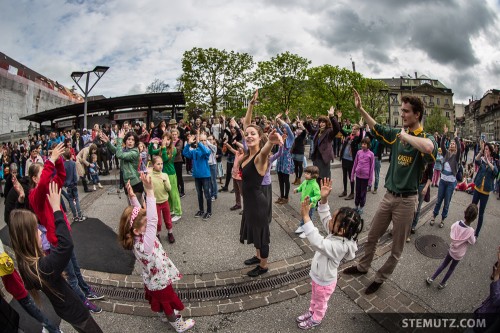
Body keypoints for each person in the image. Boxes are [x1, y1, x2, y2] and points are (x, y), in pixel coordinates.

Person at [343, 89, 437, 295]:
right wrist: (361, 109)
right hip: (389, 196)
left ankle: (380, 277)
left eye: (405, 111)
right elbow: (376, 127)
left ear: (417, 114)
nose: (402, 114)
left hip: (407, 200)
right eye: (402, 111)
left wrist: (407, 136)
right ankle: (363, 266)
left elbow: (429, 148)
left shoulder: (425, 137)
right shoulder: (396, 135)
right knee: (372, 235)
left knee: (396, 249)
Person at [10, 182, 103, 332]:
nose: (41, 233)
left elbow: (16, 224)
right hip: (76, 313)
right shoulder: (43, 267)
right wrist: (56, 210)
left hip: (65, 310)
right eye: (36, 230)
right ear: (27, 238)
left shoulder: (25, 264)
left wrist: (20, 200)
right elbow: (66, 245)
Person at [28, 143, 103, 313]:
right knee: (71, 278)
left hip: (65, 234)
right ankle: (83, 302)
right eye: (41, 174)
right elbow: (44, 183)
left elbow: (60, 176)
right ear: (34, 178)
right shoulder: (35, 195)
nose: (46, 176)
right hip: (57, 242)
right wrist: (50, 160)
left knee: (76, 269)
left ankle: (86, 290)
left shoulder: (49, 186)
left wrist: (58, 161)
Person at [118, 174, 195, 332]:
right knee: (168, 303)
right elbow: (152, 220)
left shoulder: (135, 237)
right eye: (146, 226)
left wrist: (133, 197)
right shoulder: (145, 244)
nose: (150, 227)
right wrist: (150, 191)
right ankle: (178, 325)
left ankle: (163, 314)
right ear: (137, 230)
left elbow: (140, 216)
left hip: (152, 280)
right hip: (159, 281)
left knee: (159, 301)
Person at [295, 178, 362, 330]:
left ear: (342, 230)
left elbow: (318, 242)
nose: (330, 220)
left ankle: (316, 318)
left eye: (334, 220)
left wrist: (306, 217)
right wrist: (324, 198)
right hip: (318, 276)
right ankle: (311, 312)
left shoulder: (340, 246)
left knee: (320, 302)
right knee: (315, 298)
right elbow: (325, 216)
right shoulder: (337, 233)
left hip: (325, 282)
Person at [240, 126, 283, 277]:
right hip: (250, 203)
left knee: (262, 235)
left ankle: (263, 266)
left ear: (260, 137)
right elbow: (246, 122)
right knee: (255, 232)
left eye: (253, 134)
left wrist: (270, 142)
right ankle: (258, 257)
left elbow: (264, 152)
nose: (249, 136)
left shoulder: (259, 157)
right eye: (247, 134)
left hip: (258, 204)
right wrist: (250, 106)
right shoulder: (248, 155)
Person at [1, 239, 62, 333]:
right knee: (34, 310)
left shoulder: (4, 261)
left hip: (19, 292)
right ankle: (52, 329)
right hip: (18, 289)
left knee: (34, 311)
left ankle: (53, 329)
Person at [426, 204, 478, 289]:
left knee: (443, 264)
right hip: (459, 254)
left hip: (452, 249)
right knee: (451, 268)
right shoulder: (471, 231)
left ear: (465, 212)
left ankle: (432, 278)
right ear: (474, 218)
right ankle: (442, 283)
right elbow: (472, 242)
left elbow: (452, 228)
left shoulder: (457, 224)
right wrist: (474, 237)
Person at [430, 125, 461, 228]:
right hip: (443, 181)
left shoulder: (456, 156)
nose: (452, 144)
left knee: (446, 202)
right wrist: (444, 134)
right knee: (439, 200)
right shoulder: (446, 153)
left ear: (455, 146)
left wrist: (456, 137)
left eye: (453, 144)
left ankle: (443, 219)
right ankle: (434, 216)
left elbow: (460, 148)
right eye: (451, 143)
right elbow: (442, 145)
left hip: (451, 183)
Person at [149, 133, 182, 222]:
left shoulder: (173, 149)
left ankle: (178, 212)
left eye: (168, 139)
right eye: (164, 139)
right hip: (163, 174)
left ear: (171, 140)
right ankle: (171, 210)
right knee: (168, 193)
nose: (166, 141)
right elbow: (151, 152)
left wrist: (163, 147)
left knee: (174, 193)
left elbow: (165, 159)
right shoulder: (162, 148)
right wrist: (151, 143)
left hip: (171, 174)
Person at [102, 130, 143, 201]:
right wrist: (108, 143)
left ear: (135, 142)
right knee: (132, 207)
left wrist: (119, 140)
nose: (130, 141)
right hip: (127, 183)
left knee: (137, 209)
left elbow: (119, 154)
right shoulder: (126, 150)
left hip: (135, 183)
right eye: (128, 139)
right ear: (126, 140)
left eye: (133, 140)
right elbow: (116, 151)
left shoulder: (134, 152)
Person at [303, 107, 340, 180]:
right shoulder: (318, 131)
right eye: (320, 122)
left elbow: (337, 128)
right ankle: (317, 190)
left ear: (327, 123)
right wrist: (307, 122)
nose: (321, 124)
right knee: (316, 177)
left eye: (323, 122)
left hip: (324, 158)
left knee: (323, 178)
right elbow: (310, 130)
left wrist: (332, 116)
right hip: (316, 158)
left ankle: (324, 190)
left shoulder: (329, 131)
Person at [471, 141, 498, 237]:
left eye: (487, 149)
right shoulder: (482, 160)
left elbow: (495, 172)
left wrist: (488, 161)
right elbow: (476, 160)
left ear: (490, 151)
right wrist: (481, 151)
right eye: (485, 149)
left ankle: (476, 233)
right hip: (477, 188)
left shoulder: (494, 162)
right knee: (471, 209)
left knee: (481, 213)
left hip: (485, 192)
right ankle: (467, 228)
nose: (485, 151)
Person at [182, 131, 212, 220]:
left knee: (207, 194)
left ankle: (209, 211)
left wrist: (198, 142)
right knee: (199, 194)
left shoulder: (206, 150)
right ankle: (201, 210)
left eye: (204, 140)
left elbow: (206, 152)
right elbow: (185, 153)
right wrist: (188, 144)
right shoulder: (194, 151)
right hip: (197, 176)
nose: (203, 142)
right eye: (201, 140)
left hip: (205, 176)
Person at [150, 156, 175, 243]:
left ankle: (170, 233)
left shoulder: (164, 175)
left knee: (168, 219)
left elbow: (169, 189)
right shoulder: (150, 176)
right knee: (158, 222)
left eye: (161, 164)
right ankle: (157, 235)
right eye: (158, 164)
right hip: (155, 202)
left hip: (164, 201)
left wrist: (165, 181)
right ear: (153, 165)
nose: (160, 166)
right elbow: (147, 189)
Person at [407, 161, 434, 242]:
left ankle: (413, 226)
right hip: (414, 184)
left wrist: (426, 187)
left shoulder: (430, 160)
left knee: (418, 208)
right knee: (411, 207)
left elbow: (430, 176)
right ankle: (407, 230)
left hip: (422, 185)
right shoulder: (417, 155)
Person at [338, 116, 363, 200]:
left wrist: (361, 127)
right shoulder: (348, 136)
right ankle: (345, 191)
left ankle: (352, 193)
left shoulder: (356, 139)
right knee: (344, 176)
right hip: (344, 159)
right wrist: (339, 119)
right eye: (353, 128)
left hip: (351, 160)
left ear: (358, 130)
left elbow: (360, 137)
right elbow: (341, 130)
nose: (353, 130)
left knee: (351, 176)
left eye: (355, 129)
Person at [293, 166, 321, 239]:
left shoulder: (315, 185)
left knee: (308, 217)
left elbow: (318, 195)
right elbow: (301, 187)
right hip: (304, 204)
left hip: (310, 205)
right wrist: (297, 190)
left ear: (313, 175)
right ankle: (302, 226)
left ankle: (307, 231)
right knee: (303, 215)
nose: (305, 174)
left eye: (308, 173)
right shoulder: (305, 181)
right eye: (305, 173)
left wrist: (311, 199)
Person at [274, 112, 295, 204]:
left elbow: (286, 126)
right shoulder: (282, 135)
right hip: (280, 159)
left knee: (286, 180)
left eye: (286, 129)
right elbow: (276, 128)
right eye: (284, 129)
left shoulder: (291, 137)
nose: (284, 129)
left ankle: (286, 197)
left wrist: (279, 120)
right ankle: (281, 196)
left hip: (286, 160)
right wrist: (276, 120)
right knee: (280, 179)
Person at [351, 137, 374, 215]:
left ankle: (361, 207)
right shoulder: (358, 152)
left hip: (365, 177)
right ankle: (356, 206)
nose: (363, 145)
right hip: (358, 176)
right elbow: (355, 164)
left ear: (368, 145)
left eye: (365, 144)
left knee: (362, 193)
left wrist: (370, 181)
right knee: (357, 191)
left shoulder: (371, 154)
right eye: (362, 144)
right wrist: (352, 175)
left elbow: (372, 168)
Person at [63, 149, 88, 222]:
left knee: (70, 200)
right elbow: (74, 174)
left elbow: (64, 176)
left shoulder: (63, 164)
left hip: (68, 185)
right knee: (76, 199)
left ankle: (74, 216)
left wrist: (65, 184)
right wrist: (75, 182)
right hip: (73, 184)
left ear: (64, 157)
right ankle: (79, 215)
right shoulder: (73, 163)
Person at [225, 141, 245, 212]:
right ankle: (238, 204)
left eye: (241, 147)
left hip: (240, 177)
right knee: (236, 192)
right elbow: (230, 148)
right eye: (238, 148)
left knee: (243, 193)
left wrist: (237, 143)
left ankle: (245, 208)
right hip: (234, 176)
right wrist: (226, 144)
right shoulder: (237, 153)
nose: (239, 149)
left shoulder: (245, 155)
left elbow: (244, 147)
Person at [291, 119, 308, 185]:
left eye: (300, 129)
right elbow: (291, 125)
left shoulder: (302, 134)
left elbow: (304, 131)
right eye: (298, 129)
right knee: (295, 166)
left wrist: (301, 125)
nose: (298, 130)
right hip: (294, 152)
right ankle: (296, 178)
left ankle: (299, 179)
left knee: (300, 166)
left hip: (300, 151)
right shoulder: (294, 135)